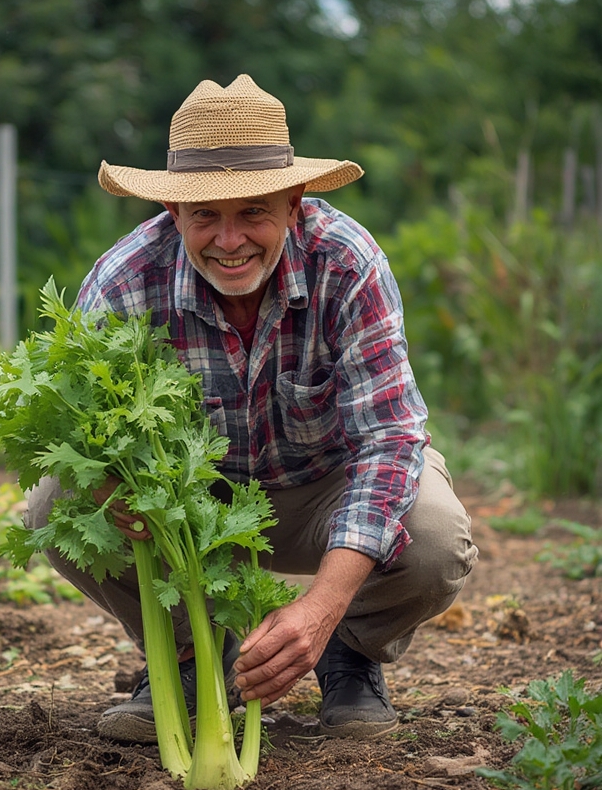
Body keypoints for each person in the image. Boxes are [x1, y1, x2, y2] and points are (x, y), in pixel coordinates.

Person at [25, 74, 477, 744]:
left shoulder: (347, 264)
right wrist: (110, 485)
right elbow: (78, 429)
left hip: (326, 490)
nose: (229, 240)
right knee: (57, 503)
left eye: (254, 212)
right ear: (173, 213)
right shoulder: (125, 282)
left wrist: (321, 608)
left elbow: (388, 440)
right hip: (191, 510)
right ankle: (186, 658)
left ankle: (345, 651)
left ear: (294, 203)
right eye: (205, 215)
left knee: (435, 541)